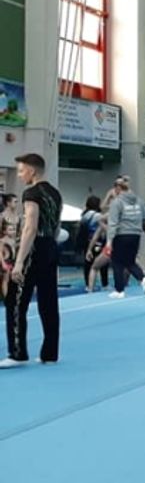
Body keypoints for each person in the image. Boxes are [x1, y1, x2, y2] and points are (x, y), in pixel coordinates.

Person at [1, 153, 62, 368]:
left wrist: (19, 262)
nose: (19, 175)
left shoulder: (31, 193)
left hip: (33, 248)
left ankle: (17, 353)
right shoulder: (55, 193)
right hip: (51, 247)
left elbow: (30, 227)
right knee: (48, 301)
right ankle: (50, 353)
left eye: (21, 170)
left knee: (16, 301)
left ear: (32, 171)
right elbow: (55, 225)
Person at [105, 176, 145, 299]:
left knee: (116, 261)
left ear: (118, 188)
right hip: (135, 235)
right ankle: (143, 278)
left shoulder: (117, 202)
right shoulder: (139, 201)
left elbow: (113, 222)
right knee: (129, 261)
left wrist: (109, 241)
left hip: (121, 234)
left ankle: (119, 290)